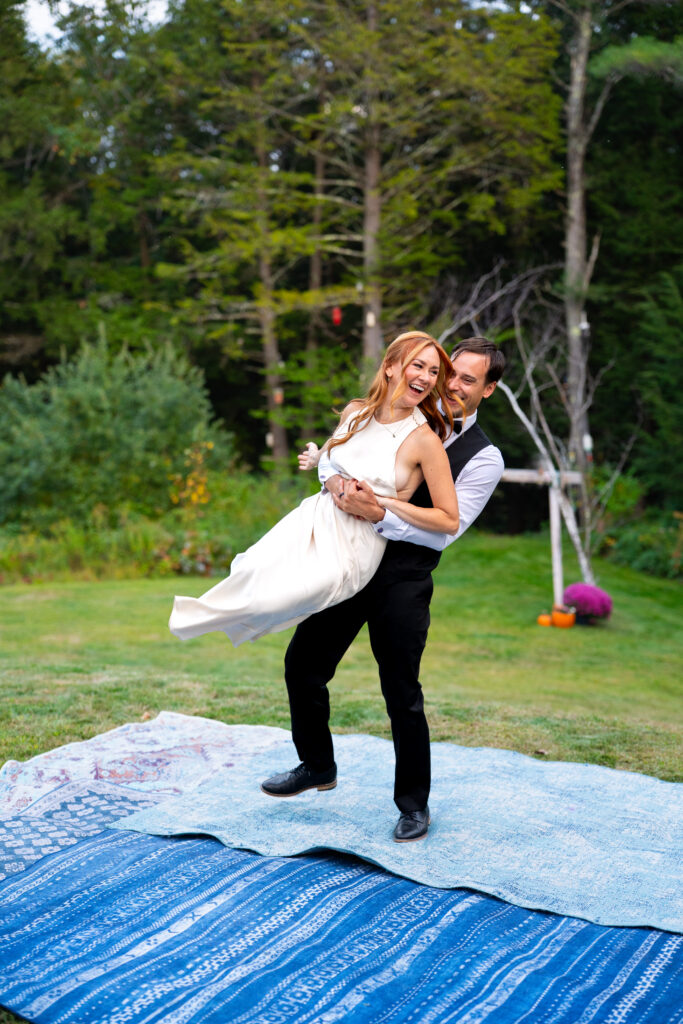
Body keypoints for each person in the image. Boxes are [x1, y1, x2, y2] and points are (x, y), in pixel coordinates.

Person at [261, 336, 505, 844]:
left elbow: (446, 530)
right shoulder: (391, 412)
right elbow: (340, 463)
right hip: (349, 564)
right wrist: (334, 483)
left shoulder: (485, 458)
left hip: (403, 580)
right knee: (303, 665)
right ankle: (317, 764)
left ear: (489, 390)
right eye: (448, 373)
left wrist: (380, 511)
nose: (451, 386)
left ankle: (413, 805)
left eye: (468, 380)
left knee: (401, 692)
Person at [169, 331, 460, 648]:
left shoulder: (424, 440)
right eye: (418, 365)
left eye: (434, 371)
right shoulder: (355, 412)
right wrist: (320, 462)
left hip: (355, 545)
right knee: (251, 572)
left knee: (275, 600)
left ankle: (196, 618)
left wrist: (383, 503)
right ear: (390, 366)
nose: (426, 378)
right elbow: (330, 459)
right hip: (314, 516)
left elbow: (448, 520)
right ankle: (190, 618)